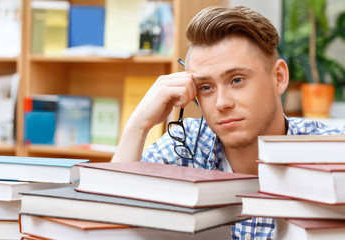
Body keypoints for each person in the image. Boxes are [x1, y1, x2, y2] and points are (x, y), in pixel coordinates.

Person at [112, 6, 345, 239]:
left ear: (279, 78)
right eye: (206, 87)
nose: (221, 103)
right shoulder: (185, 148)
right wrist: (138, 124)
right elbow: (112, 222)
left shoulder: (334, 149)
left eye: (236, 80)